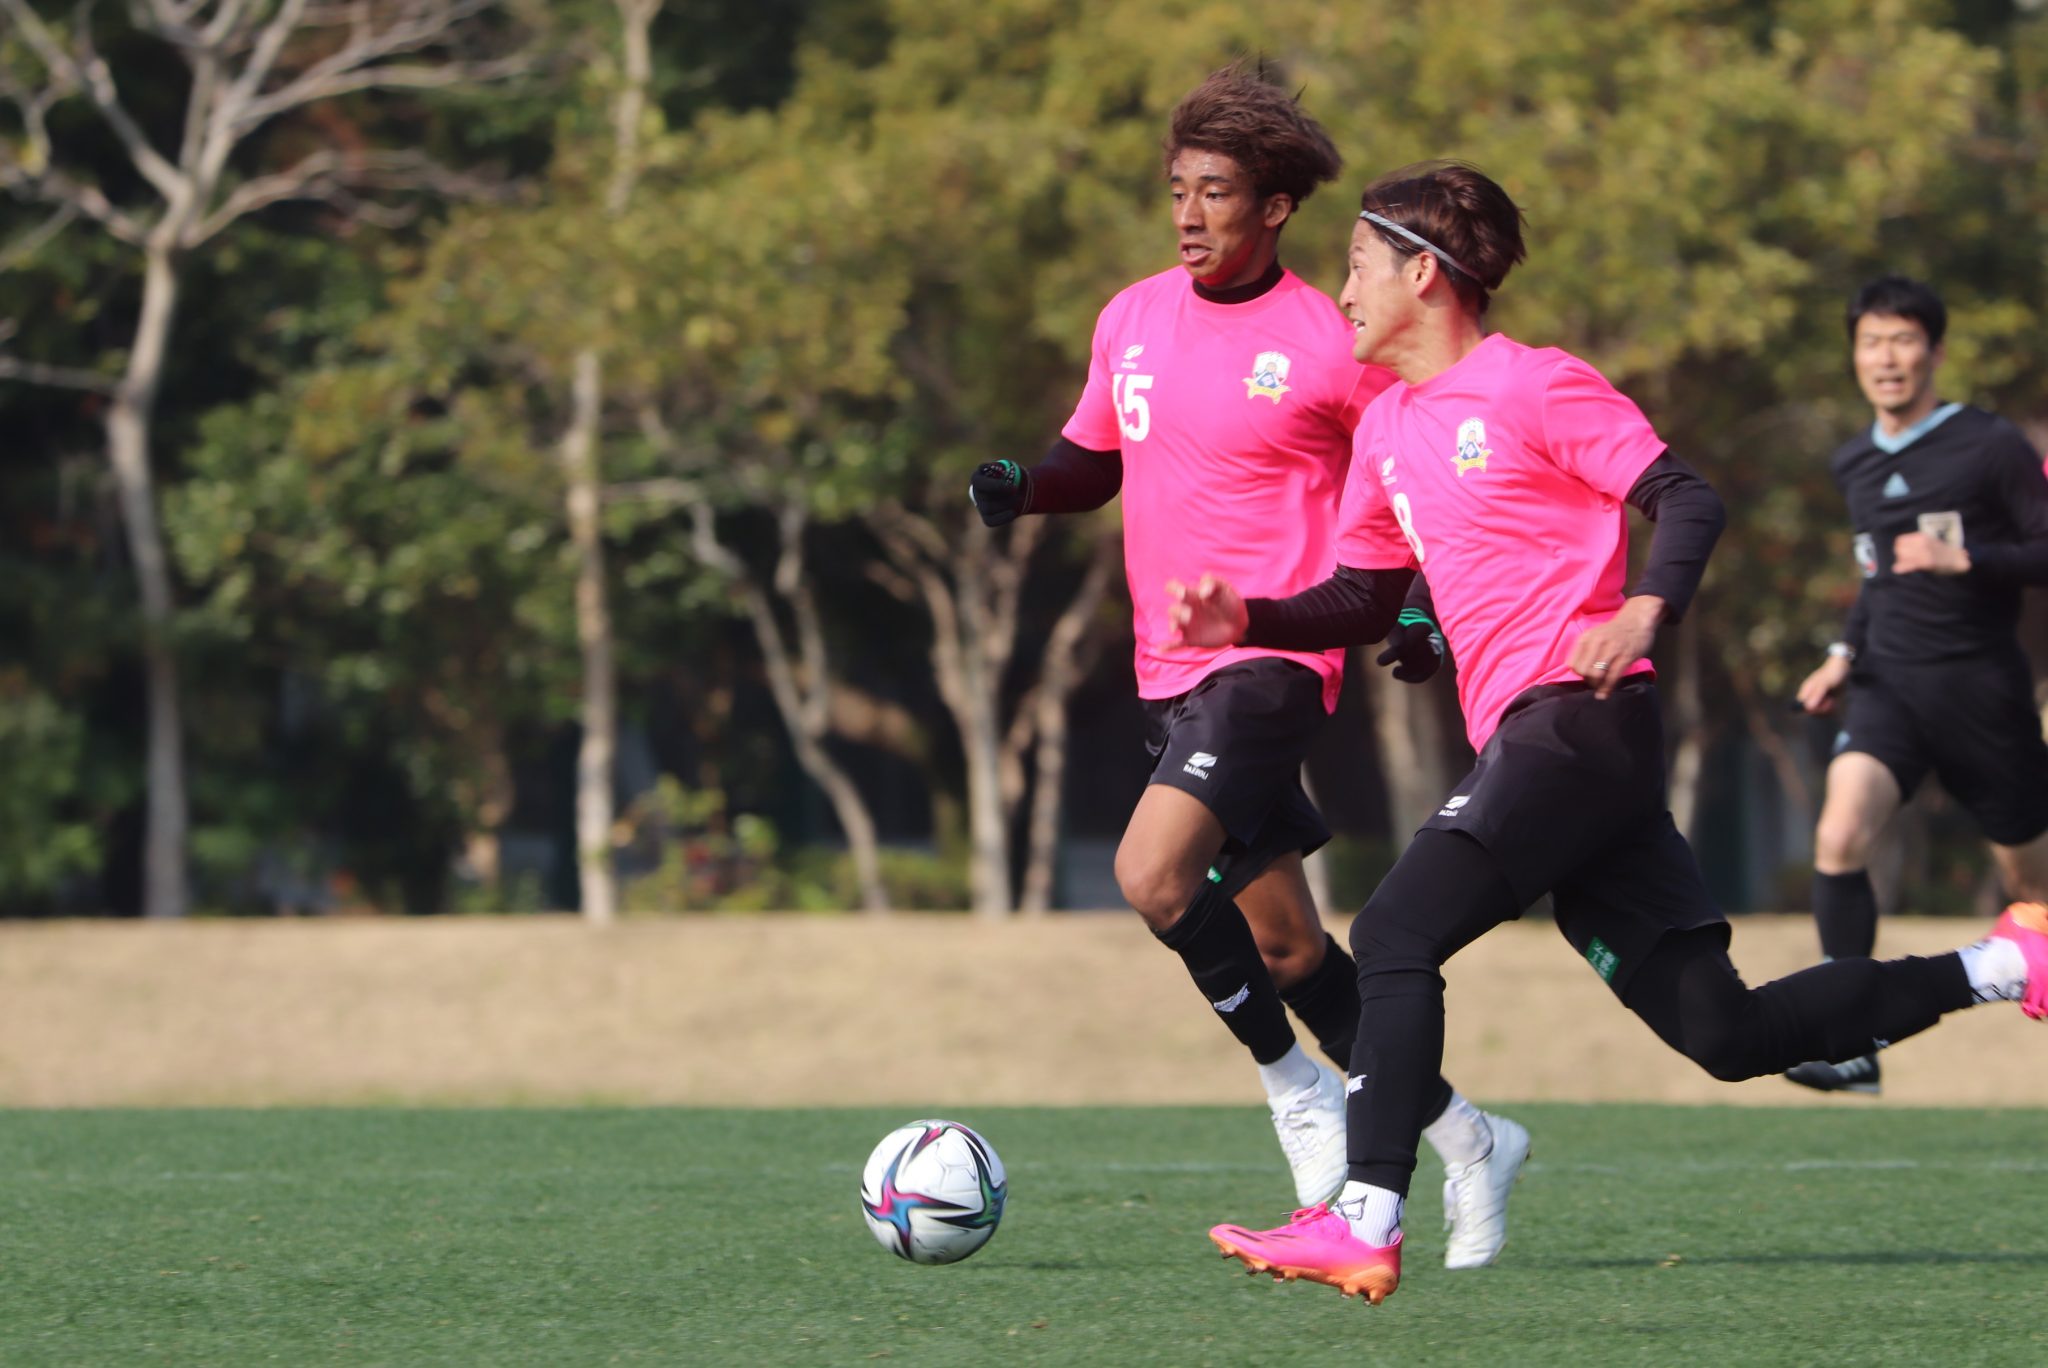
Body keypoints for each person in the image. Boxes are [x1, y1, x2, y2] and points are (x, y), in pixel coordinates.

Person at [1174, 163, 2048, 1306]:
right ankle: (2005, 964)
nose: (1340, 292)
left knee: (1390, 932)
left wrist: (1642, 608)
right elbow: (1363, 594)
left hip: (1576, 726)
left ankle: (1366, 1215)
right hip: (1552, 754)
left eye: (1354, 266)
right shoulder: (1383, 427)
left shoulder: (1535, 384)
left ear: (1421, 274)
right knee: (1726, 1032)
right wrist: (1249, 617)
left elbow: (1685, 497)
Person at [969, 70, 1529, 1267]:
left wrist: (1418, 604)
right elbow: (1093, 462)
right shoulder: (1129, 318)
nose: (1187, 213)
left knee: (1150, 875)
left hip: (1274, 659)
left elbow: (1410, 476)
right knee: (1286, 952)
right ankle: (1467, 1135)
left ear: (1273, 208)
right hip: (1167, 671)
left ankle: (1295, 1091)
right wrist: (1025, 487)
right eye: (1178, 189)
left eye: (1214, 192)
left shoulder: (1331, 342)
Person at [1786, 275, 2048, 1094]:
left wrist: (1967, 558)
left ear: (1934, 351)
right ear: (1855, 356)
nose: (1887, 358)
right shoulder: (1854, 460)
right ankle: (1852, 1043)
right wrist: (1842, 654)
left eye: (1903, 340)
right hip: (1888, 687)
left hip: (1982, 693)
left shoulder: (1990, 444)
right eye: (1872, 342)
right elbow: (1878, 579)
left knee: (2035, 893)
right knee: (1839, 834)